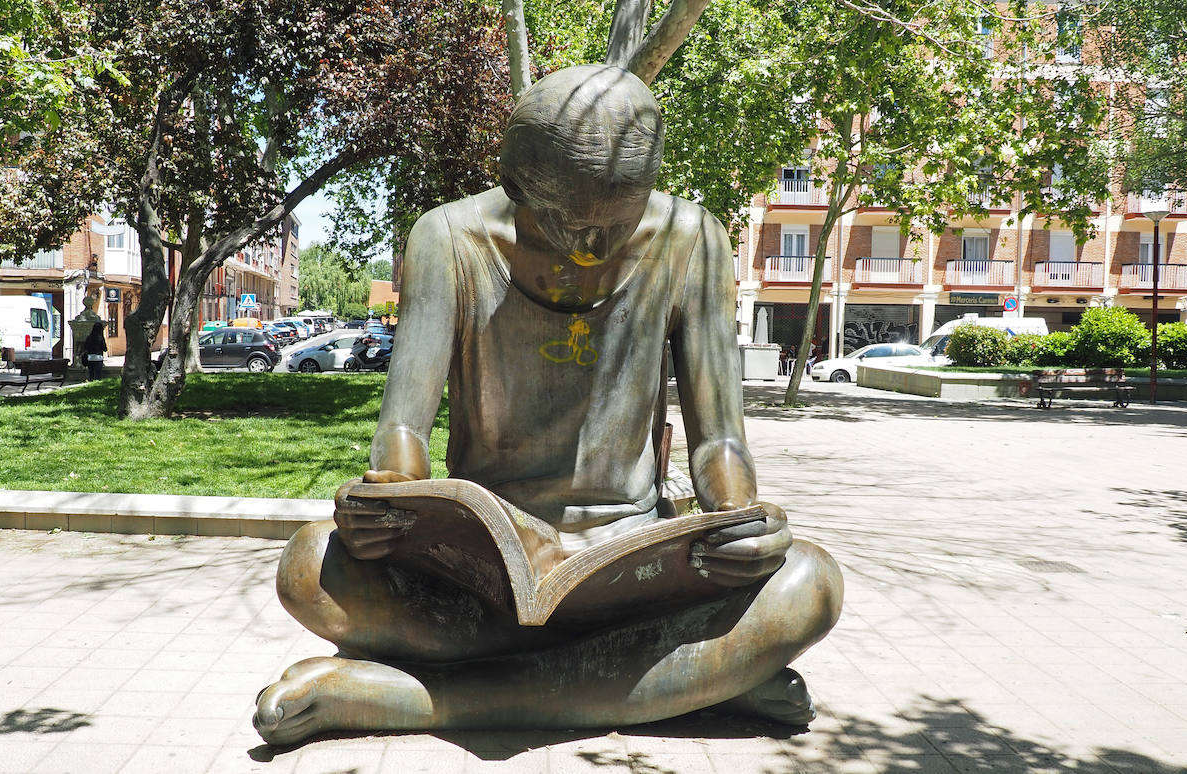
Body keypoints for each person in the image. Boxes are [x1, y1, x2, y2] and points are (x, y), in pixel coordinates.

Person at [253, 65, 841, 743]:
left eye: (620, 222)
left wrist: (740, 519)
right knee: (309, 568)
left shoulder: (691, 239)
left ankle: (413, 699)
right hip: (485, 578)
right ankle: (683, 679)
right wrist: (388, 506)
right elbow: (403, 432)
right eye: (569, 222)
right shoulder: (449, 239)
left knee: (811, 583)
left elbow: (720, 443)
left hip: (637, 571)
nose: (595, 246)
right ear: (517, 185)